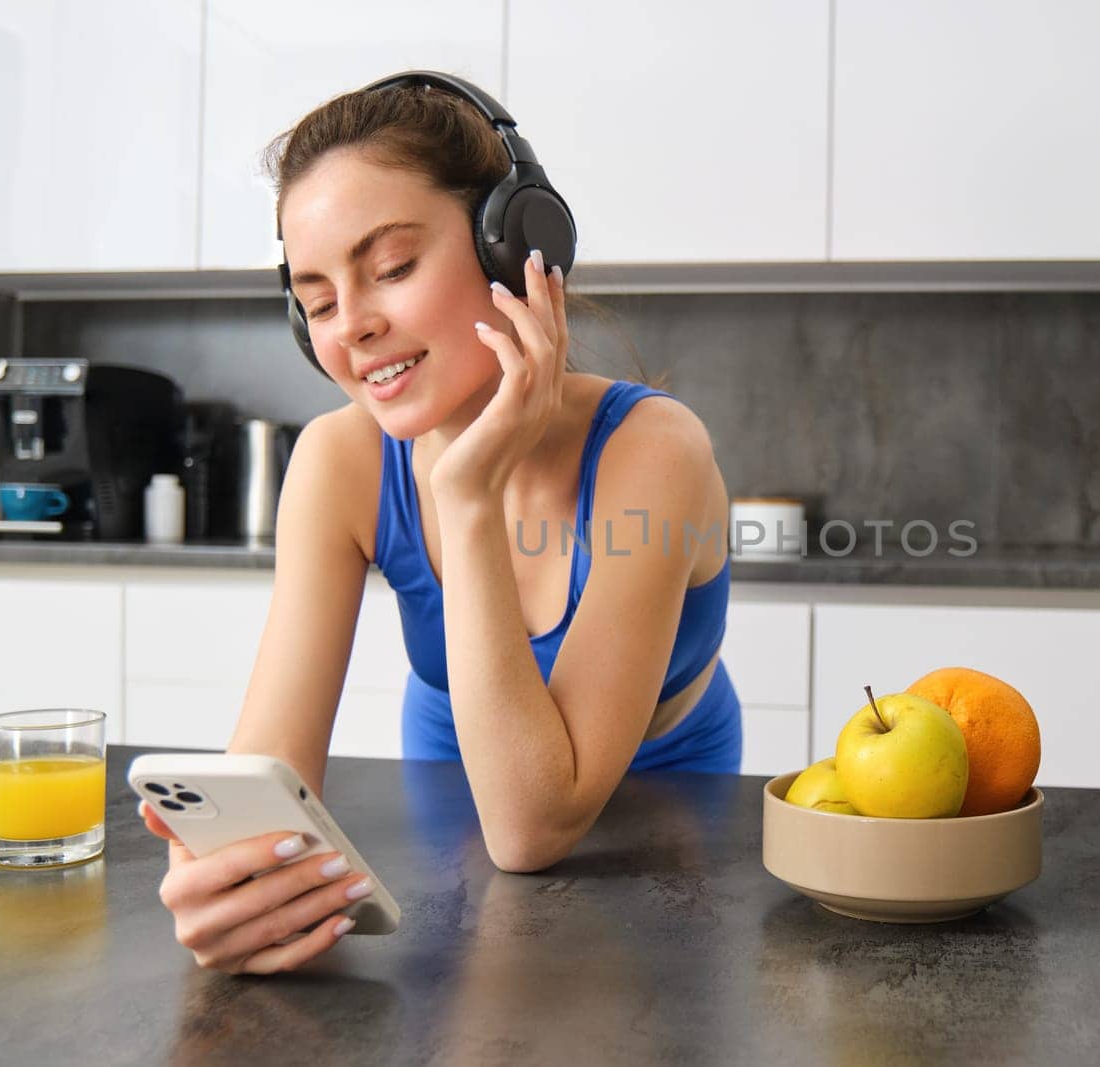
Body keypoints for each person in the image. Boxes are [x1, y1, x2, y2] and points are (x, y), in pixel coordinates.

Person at [140, 73, 741, 974]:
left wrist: (464, 494)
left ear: (516, 245)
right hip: (460, 773)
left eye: (390, 269)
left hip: (670, 807)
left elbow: (534, 827)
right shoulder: (338, 464)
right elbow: (265, 786)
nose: (354, 328)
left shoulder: (654, 449)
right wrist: (226, 882)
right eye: (318, 301)